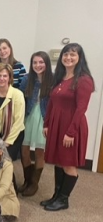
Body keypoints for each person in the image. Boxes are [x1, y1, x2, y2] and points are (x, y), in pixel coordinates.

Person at [42, 43, 94, 211]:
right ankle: (56, 195)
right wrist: (47, 123)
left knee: (68, 163)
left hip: (71, 126)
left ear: (80, 58)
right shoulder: (60, 77)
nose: (68, 58)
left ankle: (64, 199)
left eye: (73, 55)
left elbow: (81, 109)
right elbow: (51, 103)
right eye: (65, 54)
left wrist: (71, 132)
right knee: (58, 161)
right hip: (56, 125)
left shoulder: (84, 80)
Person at [17, 51, 54, 196]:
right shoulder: (27, 79)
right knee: (24, 149)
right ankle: (27, 180)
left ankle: (34, 183)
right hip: (28, 115)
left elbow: (55, 104)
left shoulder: (53, 80)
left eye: (41, 62)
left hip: (44, 118)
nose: (38, 65)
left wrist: (50, 123)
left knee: (39, 151)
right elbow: (20, 98)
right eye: (35, 62)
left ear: (46, 63)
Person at [0, 62, 25, 161]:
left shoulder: (17, 94)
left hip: (14, 134)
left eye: (5, 76)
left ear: (9, 78)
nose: (2, 78)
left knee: (5, 161)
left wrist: (7, 142)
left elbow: (19, 121)